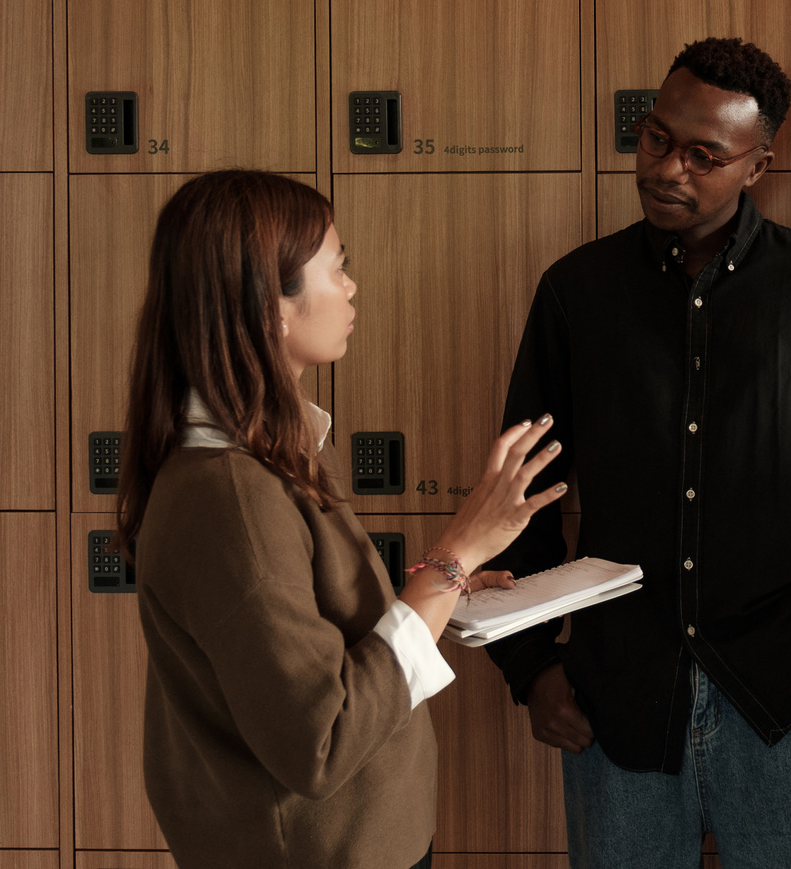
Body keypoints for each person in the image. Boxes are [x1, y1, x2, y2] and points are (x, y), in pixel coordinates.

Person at [486, 37, 791, 869]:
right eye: (656, 139)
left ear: (756, 165)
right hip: (614, 697)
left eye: (703, 155)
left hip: (784, 691)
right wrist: (532, 666)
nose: (667, 170)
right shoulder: (577, 291)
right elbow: (522, 489)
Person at [116, 169, 569, 869]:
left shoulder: (261, 457)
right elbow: (319, 741)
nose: (352, 286)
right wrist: (454, 555)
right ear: (273, 307)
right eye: (338, 267)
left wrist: (446, 590)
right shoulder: (233, 499)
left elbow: (302, 633)